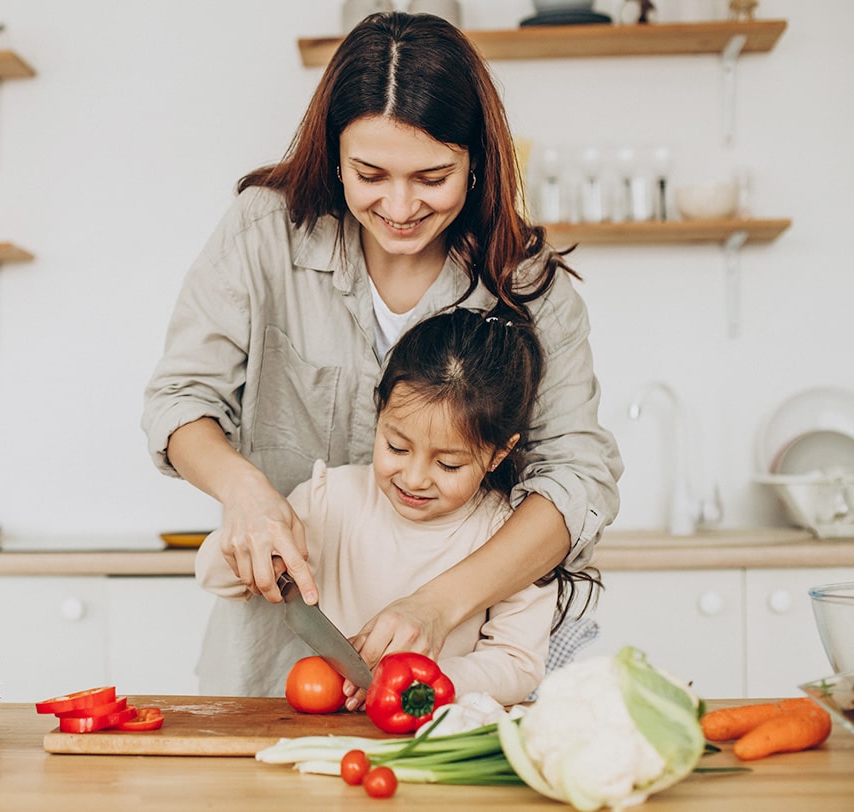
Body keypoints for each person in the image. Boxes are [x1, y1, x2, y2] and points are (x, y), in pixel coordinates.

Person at [142, 11, 622, 698]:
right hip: (271, 669)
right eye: (370, 174)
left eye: (432, 177)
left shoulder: (525, 284)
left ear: (478, 162)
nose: (399, 206)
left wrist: (439, 603)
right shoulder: (262, 232)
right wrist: (244, 493)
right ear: (334, 155)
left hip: (448, 684)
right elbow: (179, 401)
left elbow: (577, 478)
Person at [196, 307, 601, 706]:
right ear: (380, 412)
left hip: (436, 732)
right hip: (332, 733)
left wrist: (426, 682)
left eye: (448, 464)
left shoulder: (515, 538)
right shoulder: (329, 497)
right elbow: (214, 576)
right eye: (396, 447)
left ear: (498, 454)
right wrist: (247, 541)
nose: (414, 478)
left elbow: (517, 664)